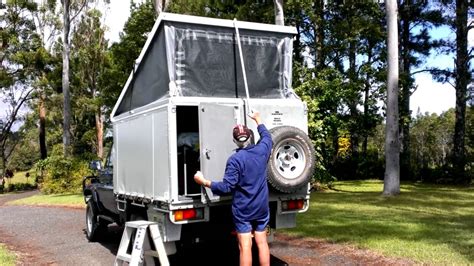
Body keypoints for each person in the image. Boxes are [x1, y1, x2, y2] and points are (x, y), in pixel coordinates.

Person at [194, 111, 272, 266]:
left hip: (243, 209)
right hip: (262, 206)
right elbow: (267, 137)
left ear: (234, 141)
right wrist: (258, 120)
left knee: (245, 246)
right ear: (250, 137)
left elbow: (226, 187)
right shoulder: (262, 150)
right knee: (262, 243)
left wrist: (203, 181)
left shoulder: (235, 160)